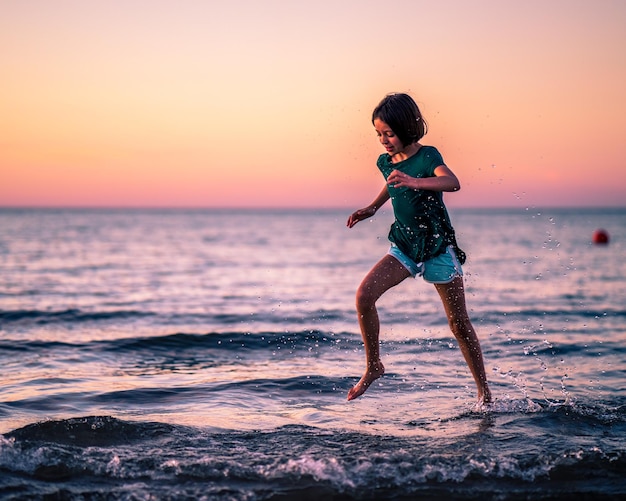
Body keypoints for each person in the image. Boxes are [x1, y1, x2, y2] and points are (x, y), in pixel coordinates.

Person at [346, 92, 492, 406]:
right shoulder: (384, 161)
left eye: (389, 133)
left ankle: (484, 394)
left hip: (437, 246)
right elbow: (391, 181)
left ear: (407, 128)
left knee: (458, 324)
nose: (383, 140)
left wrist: (415, 181)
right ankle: (374, 366)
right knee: (364, 296)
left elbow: (451, 182)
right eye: (378, 134)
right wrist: (373, 207)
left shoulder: (427, 156)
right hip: (405, 245)